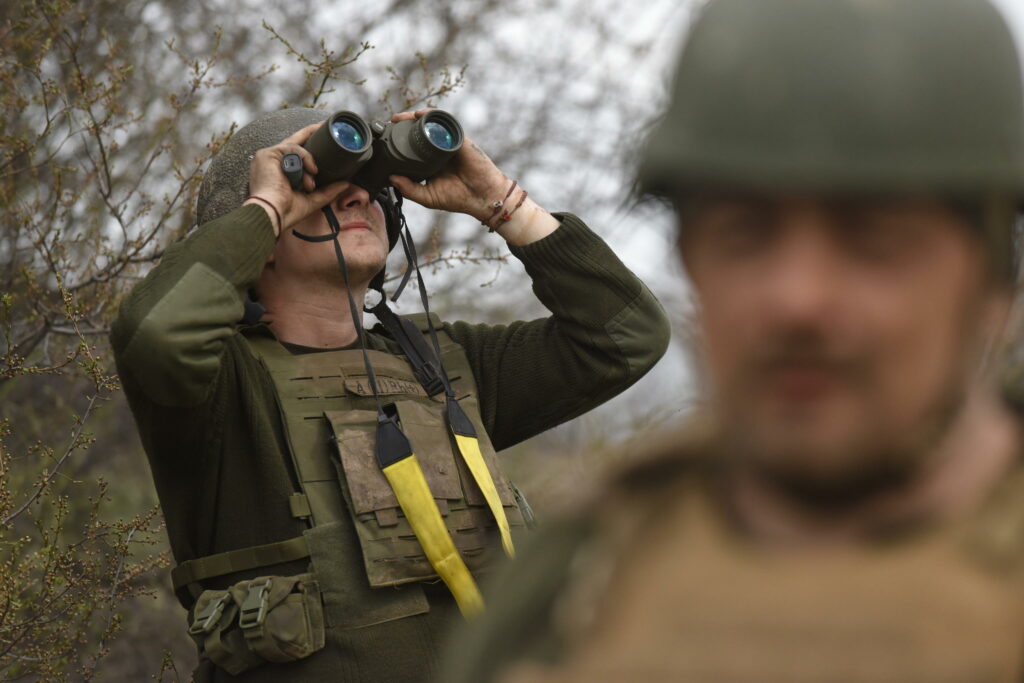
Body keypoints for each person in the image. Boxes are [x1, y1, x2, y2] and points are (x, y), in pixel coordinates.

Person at [442, 0, 1024, 680]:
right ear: (691, 259)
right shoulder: (584, 572)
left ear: (994, 284)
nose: (797, 300)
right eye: (745, 234)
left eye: (876, 242)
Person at [109, 107, 669, 682]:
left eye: (371, 190)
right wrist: (269, 205)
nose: (358, 200)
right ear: (259, 243)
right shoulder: (222, 391)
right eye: (323, 187)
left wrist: (500, 201)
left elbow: (623, 335)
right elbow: (156, 332)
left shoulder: (444, 365)